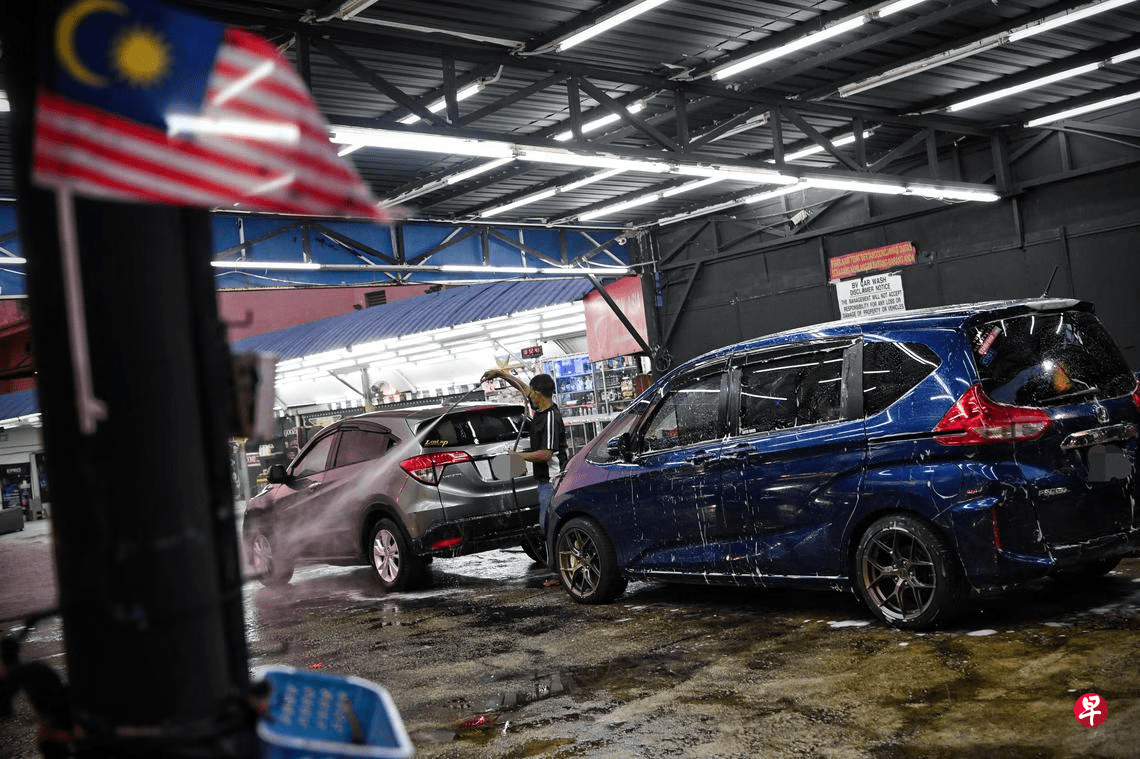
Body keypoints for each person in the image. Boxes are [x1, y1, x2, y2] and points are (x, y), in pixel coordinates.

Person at [480, 368, 567, 548]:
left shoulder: (550, 417)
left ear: (538, 395)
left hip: (552, 480)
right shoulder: (540, 408)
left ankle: (558, 564)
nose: (528, 395)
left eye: (531, 393)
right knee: (548, 526)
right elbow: (523, 388)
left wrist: (517, 456)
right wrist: (501, 374)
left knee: (549, 527)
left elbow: (546, 454)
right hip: (544, 481)